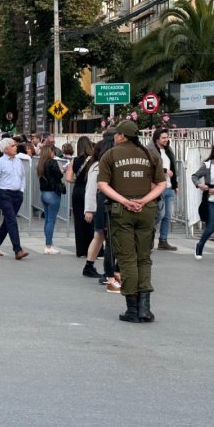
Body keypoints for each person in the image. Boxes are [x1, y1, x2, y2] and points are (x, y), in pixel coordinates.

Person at [97, 120, 166, 323]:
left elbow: (103, 184)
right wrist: (143, 200)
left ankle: (132, 309)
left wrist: (125, 201)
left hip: (121, 213)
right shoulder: (150, 155)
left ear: (122, 136)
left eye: (117, 134)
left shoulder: (110, 155)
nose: (116, 137)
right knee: (144, 258)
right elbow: (162, 183)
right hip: (146, 210)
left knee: (127, 259)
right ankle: (145, 308)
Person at [0, 137, 29, 260]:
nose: (16, 147)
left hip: (17, 195)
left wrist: (21, 190)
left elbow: (23, 178)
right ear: (5, 149)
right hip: (4, 194)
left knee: (8, 222)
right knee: (11, 220)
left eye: (15, 145)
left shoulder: (18, 161)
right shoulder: (0, 162)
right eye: (12, 146)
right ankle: (17, 249)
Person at [83, 137, 119, 287]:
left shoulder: (102, 165)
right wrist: (89, 209)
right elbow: (91, 189)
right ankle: (98, 268)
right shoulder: (98, 166)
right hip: (101, 206)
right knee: (102, 237)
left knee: (100, 237)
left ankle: (90, 265)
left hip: (103, 204)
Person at [147, 128, 179, 251]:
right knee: (160, 213)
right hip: (157, 187)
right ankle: (147, 232)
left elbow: (174, 168)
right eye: (163, 138)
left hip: (169, 187)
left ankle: (163, 241)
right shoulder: (150, 151)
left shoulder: (168, 150)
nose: (166, 140)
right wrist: (165, 171)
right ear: (157, 139)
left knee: (168, 216)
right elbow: (150, 167)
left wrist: (175, 185)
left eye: (167, 137)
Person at [66, 137, 95, 258]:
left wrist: (76, 181)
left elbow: (68, 178)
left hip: (77, 191)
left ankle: (81, 250)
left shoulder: (74, 160)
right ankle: (93, 249)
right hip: (89, 190)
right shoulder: (93, 161)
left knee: (79, 221)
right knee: (91, 221)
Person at [37, 145, 64, 255]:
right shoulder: (52, 162)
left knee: (48, 219)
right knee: (51, 220)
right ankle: (48, 246)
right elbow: (59, 176)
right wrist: (62, 170)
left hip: (44, 193)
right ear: (50, 152)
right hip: (53, 193)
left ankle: (49, 243)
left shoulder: (40, 163)